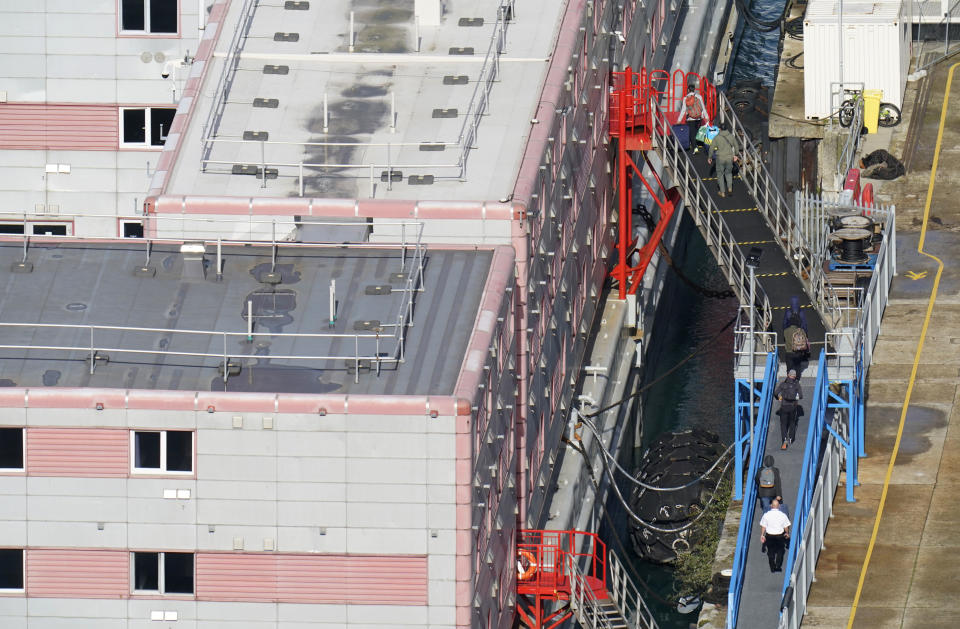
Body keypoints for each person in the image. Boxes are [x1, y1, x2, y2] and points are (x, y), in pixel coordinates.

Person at [707, 122, 738, 197]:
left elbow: (711, 148)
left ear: (720, 129)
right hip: (729, 157)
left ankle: (722, 192)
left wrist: (710, 157)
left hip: (720, 158)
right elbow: (736, 146)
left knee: (720, 175)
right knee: (729, 173)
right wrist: (736, 155)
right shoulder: (731, 136)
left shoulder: (717, 137)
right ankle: (730, 188)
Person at [759, 498, 791, 573]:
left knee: (771, 552)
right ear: (779, 506)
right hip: (780, 536)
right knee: (780, 552)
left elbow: (763, 526)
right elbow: (786, 526)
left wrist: (762, 535)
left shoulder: (766, 515)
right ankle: (778, 566)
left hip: (770, 536)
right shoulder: (782, 515)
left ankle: (772, 567)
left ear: (771, 506)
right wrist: (787, 533)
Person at [774, 369, 803, 450]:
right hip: (793, 407)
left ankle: (784, 440)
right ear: (795, 376)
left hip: (784, 407)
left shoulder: (783, 384)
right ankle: (791, 438)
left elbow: (776, 393)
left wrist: (778, 398)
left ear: (788, 375)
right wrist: (795, 398)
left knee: (783, 424)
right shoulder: (797, 385)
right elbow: (800, 396)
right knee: (792, 422)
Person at [677, 84, 709, 153]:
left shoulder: (685, 98)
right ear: (694, 89)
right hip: (698, 118)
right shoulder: (699, 97)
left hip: (690, 118)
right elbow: (703, 107)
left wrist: (679, 120)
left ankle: (695, 148)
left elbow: (683, 110)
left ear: (688, 90)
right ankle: (699, 143)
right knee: (697, 130)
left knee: (692, 133)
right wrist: (706, 117)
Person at [782, 296, 810, 374]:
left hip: (789, 350)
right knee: (797, 366)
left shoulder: (788, 311)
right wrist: (805, 335)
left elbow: (784, 324)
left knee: (789, 366)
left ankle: (789, 378)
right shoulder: (801, 311)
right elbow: (804, 324)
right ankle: (797, 378)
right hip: (799, 345)